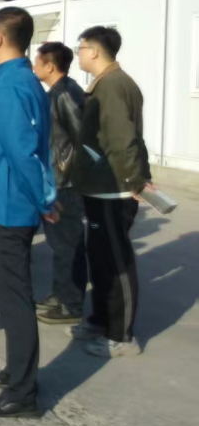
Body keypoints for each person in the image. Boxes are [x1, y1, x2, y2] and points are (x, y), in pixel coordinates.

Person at [0, 7, 56, 419]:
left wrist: (45, 199)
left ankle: (23, 393)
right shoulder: (11, 80)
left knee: (14, 299)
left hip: (6, 206)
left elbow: (24, 152)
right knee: (8, 296)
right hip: (0, 201)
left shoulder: (14, 85)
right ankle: (16, 372)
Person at [71, 26, 152, 359]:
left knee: (117, 263)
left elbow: (124, 139)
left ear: (94, 51)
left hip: (115, 190)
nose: (77, 54)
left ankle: (122, 335)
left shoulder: (114, 85)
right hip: (99, 188)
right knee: (101, 259)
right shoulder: (104, 84)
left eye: (80, 48)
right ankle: (101, 320)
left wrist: (135, 181)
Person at [32, 42, 87, 325]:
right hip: (55, 179)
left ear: (50, 66)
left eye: (37, 62)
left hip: (65, 183)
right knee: (59, 244)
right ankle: (60, 294)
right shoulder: (56, 92)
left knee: (69, 246)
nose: (34, 66)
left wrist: (70, 173)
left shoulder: (66, 94)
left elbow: (84, 139)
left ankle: (71, 304)